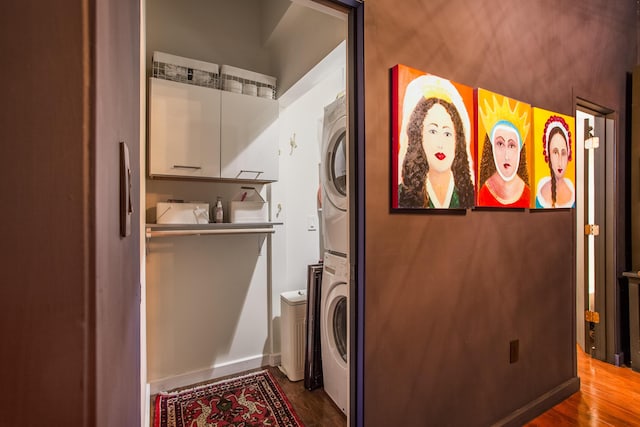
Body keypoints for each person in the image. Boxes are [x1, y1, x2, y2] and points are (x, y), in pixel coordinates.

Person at [397, 75, 474, 208]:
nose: (440, 144)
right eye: (433, 131)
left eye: (447, 134)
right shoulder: (403, 195)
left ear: (458, 141)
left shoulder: (468, 195)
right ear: (419, 137)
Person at [477, 94, 531, 208]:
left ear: (520, 150)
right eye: (500, 144)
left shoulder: (528, 194)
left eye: (511, 146)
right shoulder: (483, 193)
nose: (506, 156)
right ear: (491, 148)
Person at [536, 115, 575, 208]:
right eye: (555, 152)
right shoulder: (540, 192)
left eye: (563, 153)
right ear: (548, 155)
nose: (560, 161)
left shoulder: (572, 189)